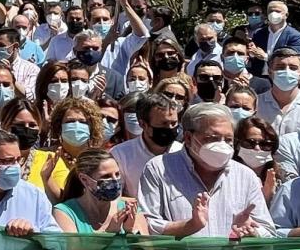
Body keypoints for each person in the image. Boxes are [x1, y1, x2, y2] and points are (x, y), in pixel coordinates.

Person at [137, 102, 277, 238]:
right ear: (188, 138)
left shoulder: (245, 176)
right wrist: (189, 226)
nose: (222, 145)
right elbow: (146, 225)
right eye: (213, 138)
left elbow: (269, 232)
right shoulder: (158, 169)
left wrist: (253, 232)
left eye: (228, 140)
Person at [54, 149, 149, 234]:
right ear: (85, 180)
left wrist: (130, 232)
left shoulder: (130, 210)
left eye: (117, 174)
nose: (115, 180)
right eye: (106, 176)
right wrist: (109, 233)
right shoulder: (66, 212)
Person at [110, 93, 182, 197]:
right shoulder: (120, 155)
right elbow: (116, 198)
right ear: (143, 124)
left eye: (173, 123)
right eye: (164, 123)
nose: (170, 128)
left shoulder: (183, 152)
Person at [45, 97, 106, 202]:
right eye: (70, 121)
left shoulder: (101, 161)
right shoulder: (44, 156)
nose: (76, 125)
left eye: (83, 122)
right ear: (59, 127)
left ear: (92, 128)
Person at [248, 0, 300, 77]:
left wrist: (266, 57)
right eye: (271, 11)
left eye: (278, 11)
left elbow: (293, 59)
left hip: (281, 77)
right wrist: (251, 52)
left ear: (286, 15)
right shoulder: (258, 33)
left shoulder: (295, 36)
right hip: (259, 76)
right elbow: (253, 56)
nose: (273, 14)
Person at [234, 116, 280, 204]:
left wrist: (268, 198)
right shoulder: (227, 176)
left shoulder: (281, 180)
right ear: (238, 144)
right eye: (250, 143)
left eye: (265, 144)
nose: (257, 148)